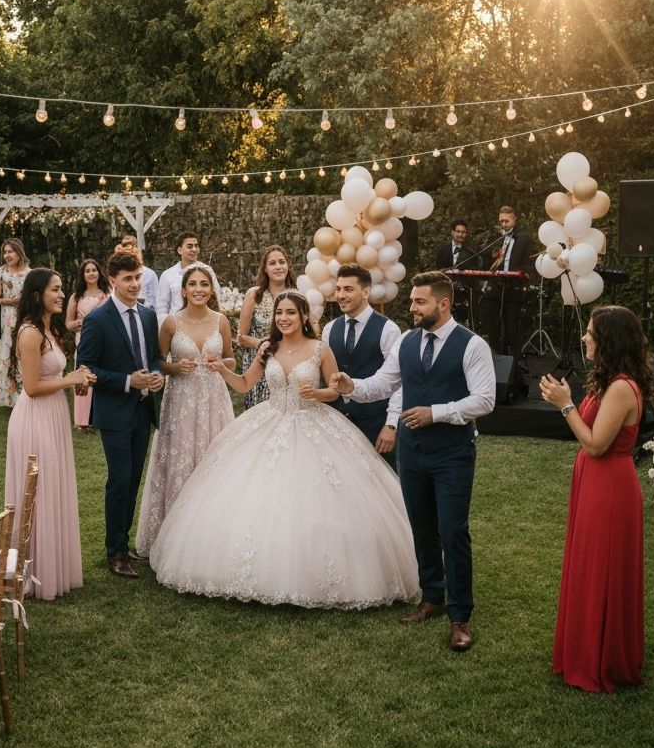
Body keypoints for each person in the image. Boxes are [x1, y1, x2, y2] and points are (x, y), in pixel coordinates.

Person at [151, 290, 418, 608]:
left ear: (304, 316)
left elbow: (336, 391)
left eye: (291, 312)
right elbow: (245, 384)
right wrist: (222, 371)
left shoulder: (320, 349)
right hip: (270, 419)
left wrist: (317, 393)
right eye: (280, 313)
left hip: (313, 422)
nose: (284, 318)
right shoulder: (267, 347)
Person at [332, 271, 496, 651]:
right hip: (412, 451)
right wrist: (351, 386)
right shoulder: (406, 341)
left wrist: (435, 412)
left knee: (452, 530)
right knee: (420, 527)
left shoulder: (472, 346)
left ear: (443, 304)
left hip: (452, 452)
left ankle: (460, 615)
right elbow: (383, 383)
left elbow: (485, 400)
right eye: (412, 301)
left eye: (419, 302)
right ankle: (432, 597)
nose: (412, 308)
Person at [539, 305, 651, 693]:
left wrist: (564, 405)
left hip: (610, 486)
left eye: (591, 332)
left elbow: (596, 443)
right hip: (592, 481)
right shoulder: (606, 382)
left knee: (602, 567)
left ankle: (602, 657)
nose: (585, 337)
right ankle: (586, 647)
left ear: (609, 339)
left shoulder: (621, 387)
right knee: (588, 563)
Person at [135, 262, 235, 557]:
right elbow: (157, 360)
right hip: (180, 400)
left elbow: (231, 360)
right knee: (180, 461)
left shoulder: (221, 321)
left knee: (213, 460)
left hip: (214, 400)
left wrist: (220, 365)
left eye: (204, 284)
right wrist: (174, 367)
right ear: (183, 289)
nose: (199, 289)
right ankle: (173, 536)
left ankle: (212, 533)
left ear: (210, 289)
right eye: (193, 284)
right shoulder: (170, 323)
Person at [5, 269, 93, 600]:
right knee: (38, 492)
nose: (61, 295)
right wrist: (68, 381)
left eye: (61, 289)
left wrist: (75, 382)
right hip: (34, 419)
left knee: (54, 486)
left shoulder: (48, 329)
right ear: (37, 293)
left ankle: (53, 566)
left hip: (53, 413)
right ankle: (34, 571)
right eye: (55, 290)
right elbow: (31, 387)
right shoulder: (30, 333)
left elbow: (51, 378)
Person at [77, 250, 164, 578]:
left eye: (138, 277)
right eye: (127, 279)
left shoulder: (147, 316)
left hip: (143, 411)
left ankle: (123, 543)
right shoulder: (98, 320)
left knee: (133, 481)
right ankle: (115, 551)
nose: (134, 284)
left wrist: (156, 375)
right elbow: (85, 367)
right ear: (111, 281)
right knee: (119, 479)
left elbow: (154, 356)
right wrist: (128, 381)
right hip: (114, 413)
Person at [322, 263, 402, 466]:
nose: (340, 295)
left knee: (383, 484)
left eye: (348, 289)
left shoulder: (388, 329)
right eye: (338, 289)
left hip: (376, 423)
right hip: (337, 423)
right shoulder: (330, 329)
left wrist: (391, 425)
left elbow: (400, 382)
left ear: (366, 292)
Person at [236, 245, 297, 409]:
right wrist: (262, 344)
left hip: (288, 362)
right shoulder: (254, 295)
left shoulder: (296, 296)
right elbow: (241, 336)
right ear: (265, 269)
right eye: (272, 263)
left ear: (288, 265)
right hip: (259, 363)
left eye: (281, 262)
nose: (278, 267)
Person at [480, 205, 533, 361]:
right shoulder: (497, 238)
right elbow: (484, 256)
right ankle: (497, 357)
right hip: (497, 286)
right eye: (501, 221)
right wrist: (492, 254)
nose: (503, 224)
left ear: (514, 219)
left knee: (511, 326)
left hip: (513, 286)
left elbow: (528, 263)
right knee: (493, 323)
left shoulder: (523, 238)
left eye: (506, 221)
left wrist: (521, 273)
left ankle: (515, 361)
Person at [65, 258, 110, 431]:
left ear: (99, 272)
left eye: (94, 270)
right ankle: (83, 421)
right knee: (84, 375)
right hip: (84, 339)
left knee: (102, 376)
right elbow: (68, 323)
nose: (91, 273)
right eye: (87, 271)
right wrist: (80, 322)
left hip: (105, 339)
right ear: (82, 275)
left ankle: (102, 417)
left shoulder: (108, 295)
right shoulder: (77, 297)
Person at [0, 237, 31, 408]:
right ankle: (10, 398)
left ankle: (27, 394)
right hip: (8, 321)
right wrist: (12, 301)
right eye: (5, 252)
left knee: (25, 355)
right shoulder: (1, 272)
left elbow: (33, 300)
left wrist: (18, 302)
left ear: (19, 252)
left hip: (27, 319)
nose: (7, 255)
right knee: (9, 355)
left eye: (10, 251)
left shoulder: (30, 274)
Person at [156, 231, 221, 324]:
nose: (194, 249)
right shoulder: (167, 275)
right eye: (189, 246)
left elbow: (216, 298)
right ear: (179, 250)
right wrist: (165, 330)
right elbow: (162, 308)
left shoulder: (207, 271)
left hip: (203, 324)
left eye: (196, 246)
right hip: (176, 326)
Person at [119, 233, 159, 309]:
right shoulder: (118, 273)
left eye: (131, 247)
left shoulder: (150, 274)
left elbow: (155, 299)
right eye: (125, 246)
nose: (128, 251)